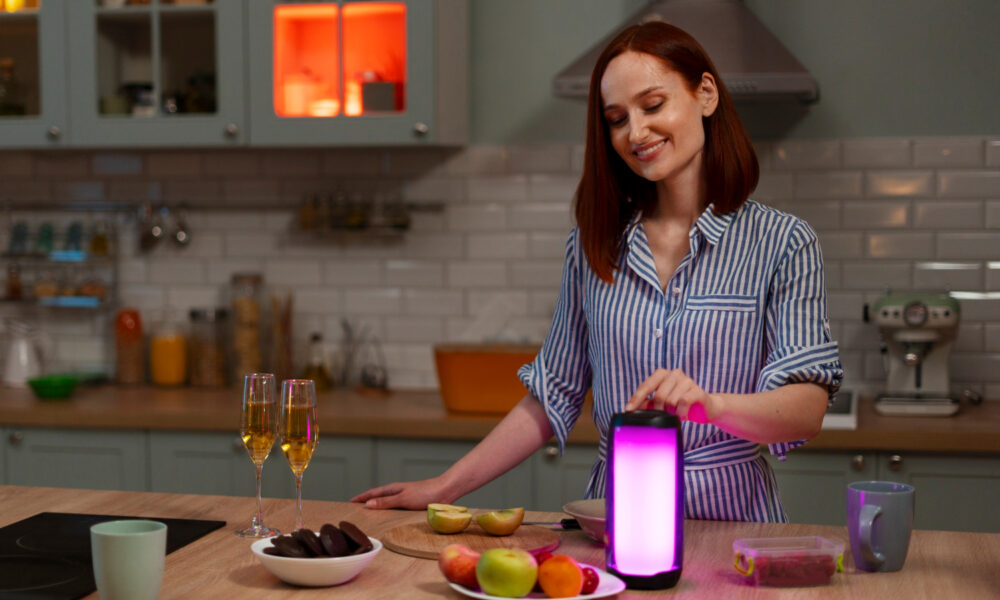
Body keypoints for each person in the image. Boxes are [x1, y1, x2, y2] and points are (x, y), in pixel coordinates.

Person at [352, 21, 842, 522]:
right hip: (617, 521)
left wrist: (711, 405)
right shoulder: (592, 247)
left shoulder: (783, 242)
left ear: (706, 94)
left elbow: (807, 406)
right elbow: (554, 393)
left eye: (653, 105)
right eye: (616, 118)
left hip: (734, 525)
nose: (637, 132)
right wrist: (443, 486)